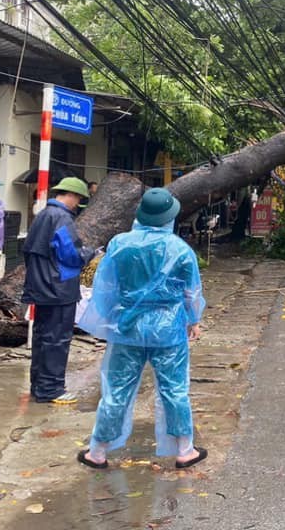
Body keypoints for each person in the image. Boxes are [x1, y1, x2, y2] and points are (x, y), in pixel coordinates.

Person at [77, 188, 207, 470]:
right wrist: (193, 320)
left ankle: (97, 451)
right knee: (174, 389)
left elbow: (106, 286)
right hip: (169, 329)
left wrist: (110, 317)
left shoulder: (120, 244)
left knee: (116, 390)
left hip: (128, 327)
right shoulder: (180, 249)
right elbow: (191, 292)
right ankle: (185, 449)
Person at [22, 177, 96, 404]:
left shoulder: (42, 215)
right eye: (79, 199)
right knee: (57, 340)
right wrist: (89, 252)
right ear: (72, 196)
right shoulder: (62, 218)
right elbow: (71, 255)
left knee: (43, 338)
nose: (78, 204)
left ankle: (39, 386)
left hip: (41, 288)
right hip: (59, 290)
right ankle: (52, 389)